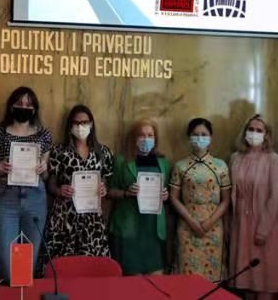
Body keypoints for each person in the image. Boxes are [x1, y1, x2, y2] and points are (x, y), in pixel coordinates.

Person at [0, 87, 51, 282]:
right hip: (6, 198)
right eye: (19, 103)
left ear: (35, 108)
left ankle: (24, 293)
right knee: (6, 260)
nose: (24, 107)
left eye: (28, 104)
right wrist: (0, 169)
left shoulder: (44, 135)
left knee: (29, 259)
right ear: (11, 106)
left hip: (35, 198)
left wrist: (43, 168)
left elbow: (46, 175)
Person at [229, 114, 278, 299]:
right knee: (245, 278)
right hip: (241, 224)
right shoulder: (236, 158)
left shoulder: (274, 160)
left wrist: (263, 229)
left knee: (264, 278)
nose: (254, 133)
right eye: (251, 129)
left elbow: (276, 196)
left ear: (266, 134)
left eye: (259, 130)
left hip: (265, 223)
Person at [45, 105, 113, 261]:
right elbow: (51, 184)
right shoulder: (59, 151)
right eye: (76, 123)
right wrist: (59, 190)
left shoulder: (103, 152)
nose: (80, 126)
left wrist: (104, 189)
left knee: (92, 265)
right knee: (62, 264)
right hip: (64, 217)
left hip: (92, 218)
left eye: (84, 122)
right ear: (70, 125)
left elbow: (106, 182)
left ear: (91, 124)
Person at [170, 118, 230, 281]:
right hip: (187, 226)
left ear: (211, 137)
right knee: (187, 278)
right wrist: (191, 221)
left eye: (204, 134)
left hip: (213, 227)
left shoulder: (221, 166)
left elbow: (226, 200)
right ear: (189, 137)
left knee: (212, 277)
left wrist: (209, 222)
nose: (200, 138)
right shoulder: (180, 166)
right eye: (195, 134)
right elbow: (174, 197)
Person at [108, 119, 170, 275]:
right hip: (129, 228)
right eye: (141, 135)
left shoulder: (163, 162)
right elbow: (109, 191)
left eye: (150, 135)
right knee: (132, 281)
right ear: (134, 138)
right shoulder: (121, 161)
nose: (146, 139)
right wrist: (126, 193)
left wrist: (166, 195)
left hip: (153, 230)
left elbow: (169, 191)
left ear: (155, 139)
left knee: (156, 278)